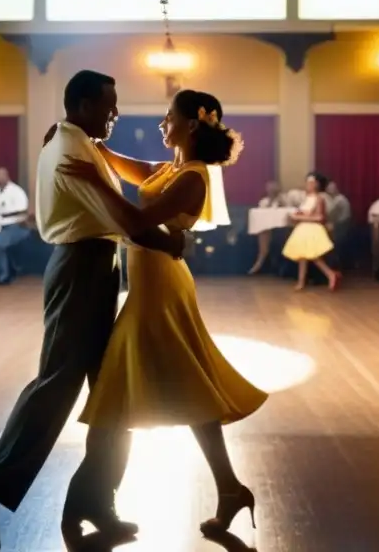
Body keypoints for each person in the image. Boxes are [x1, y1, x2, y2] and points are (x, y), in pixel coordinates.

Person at [0, 71, 186, 550]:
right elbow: (128, 222)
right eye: (110, 105)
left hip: (97, 269)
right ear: (82, 105)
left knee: (112, 393)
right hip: (80, 268)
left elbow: (135, 185)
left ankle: (96, 500)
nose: (116, 114)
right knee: (55, 385)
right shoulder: (69, 149)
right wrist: (172, 241)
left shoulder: (79, 142)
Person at [59, 88, 266, 539]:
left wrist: (92, 183)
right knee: (187, 386)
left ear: (192, 123)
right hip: (152, 286)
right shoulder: (171, 168)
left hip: (161, 291)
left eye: (167, 116)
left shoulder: (193, 178)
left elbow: (138, 220)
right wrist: (87, 145)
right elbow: (127, 166)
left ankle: (88, 497)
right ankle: (227, 487)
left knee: (141, 381)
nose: (161, 123)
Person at [282, 173, 340, 291]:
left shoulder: (319, 199)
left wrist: (299, 218)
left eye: (310, 183)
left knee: (313, 255)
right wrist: (296, 216)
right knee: (303, 256)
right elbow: (304, 213)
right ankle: (302, 281)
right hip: (303, 229)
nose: (307, 185)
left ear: (316, 185)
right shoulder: (306, 199)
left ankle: (330, 274)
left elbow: (320, 217)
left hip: (313, 229)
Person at [0, 167, 31, 284]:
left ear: (7, 176)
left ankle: (4, 275)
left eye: (1, 175)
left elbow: (23, 211)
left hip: (16, 225)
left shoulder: (16, 191)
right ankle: (1, 271)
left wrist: (5, 214)